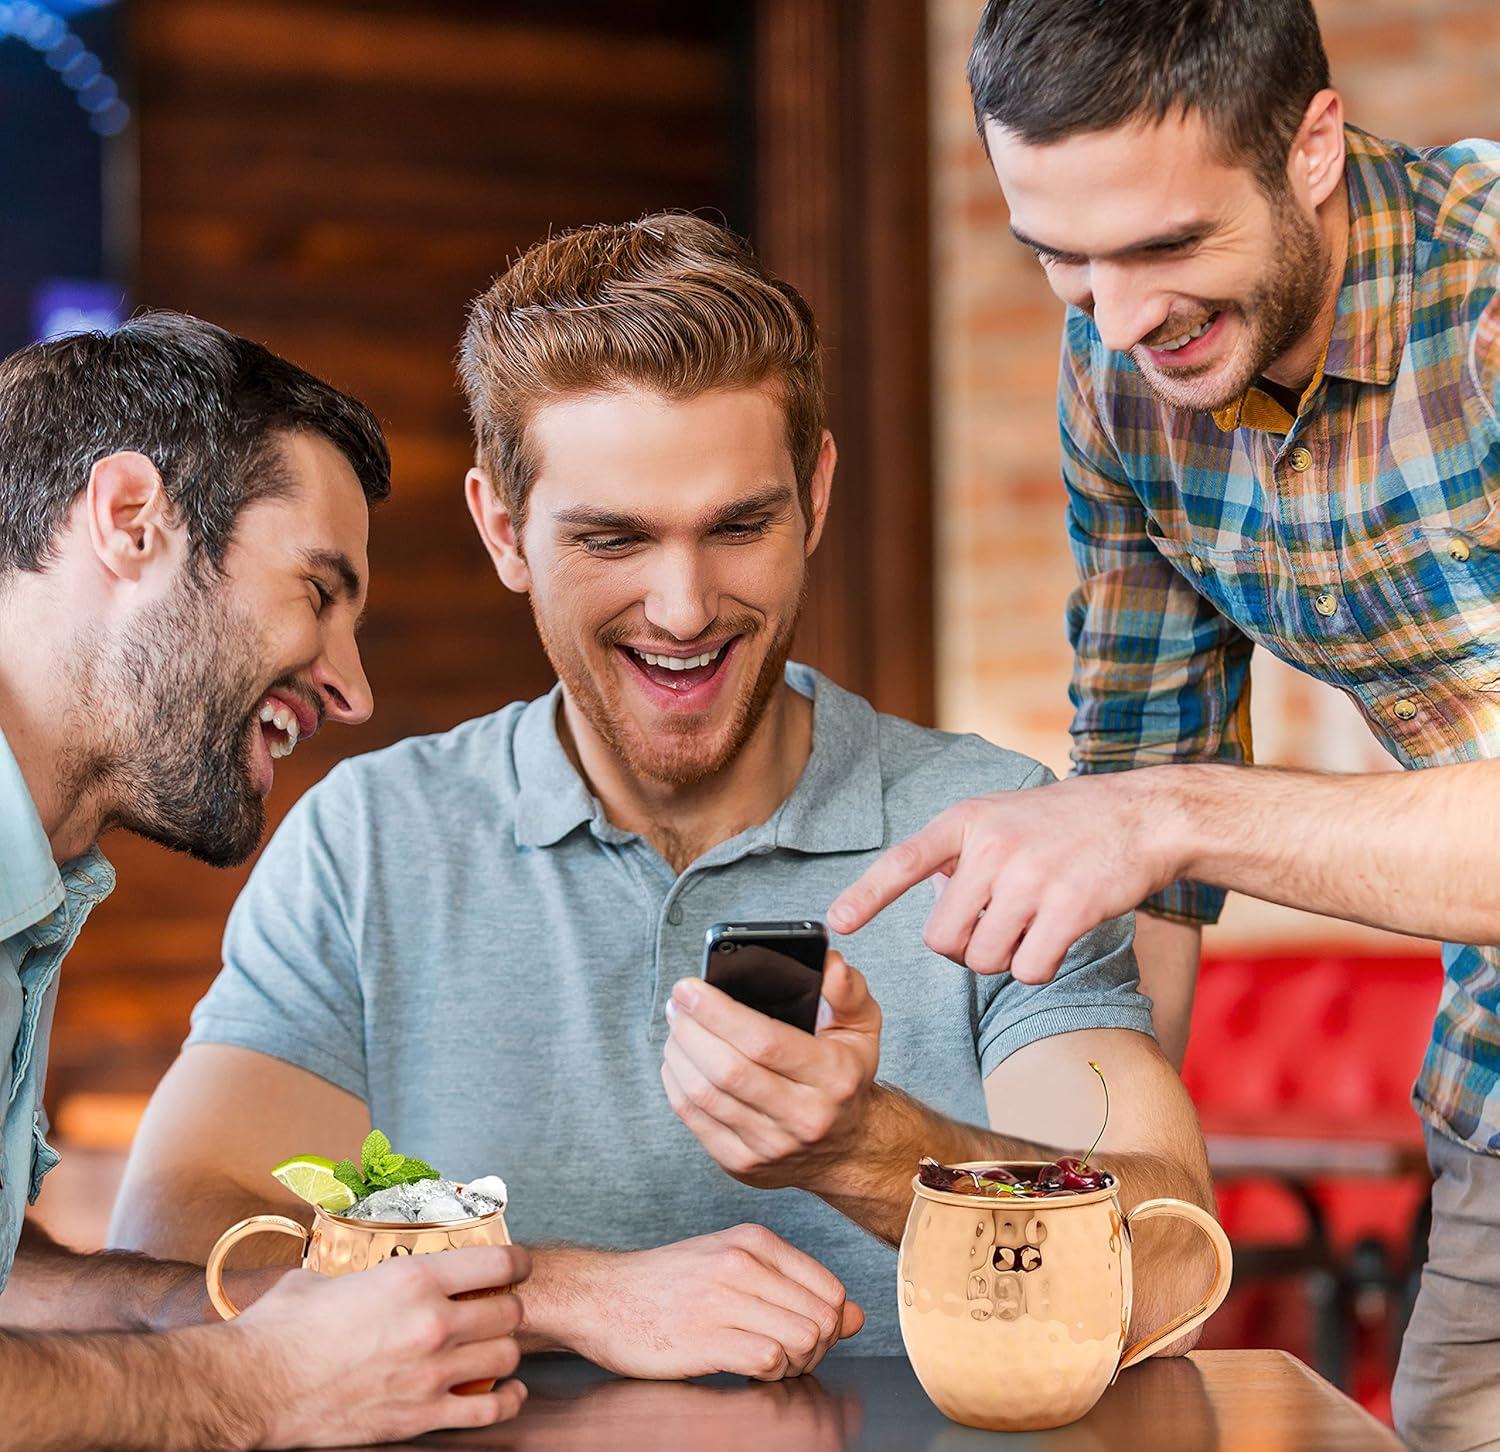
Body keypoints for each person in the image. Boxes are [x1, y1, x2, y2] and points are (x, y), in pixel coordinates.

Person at [113, 214, 1218, 1381]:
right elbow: (187, 1247)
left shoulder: (998, 824)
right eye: (613, 539)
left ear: (818, 497)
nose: (684, 608)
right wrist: (557, 1292)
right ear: (505, 532)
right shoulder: (370, 842)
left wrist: (871, 1150)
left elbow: (1173, 1278)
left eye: (740, 526)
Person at [827, 0, 1499, 1452]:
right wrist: (1123, 1239)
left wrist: (1170, 816)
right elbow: (1136, 810)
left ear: (1311, 147)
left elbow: (1153, 819)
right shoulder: (1123, 381)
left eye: (1165, 247)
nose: (1119, 320)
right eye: (1059, 256)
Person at [0, 313, 528, 1452]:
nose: (352, 690)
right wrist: (265, 1381)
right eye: (317, 591)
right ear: (132, 521)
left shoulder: (35, 884)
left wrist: (224, 1311)